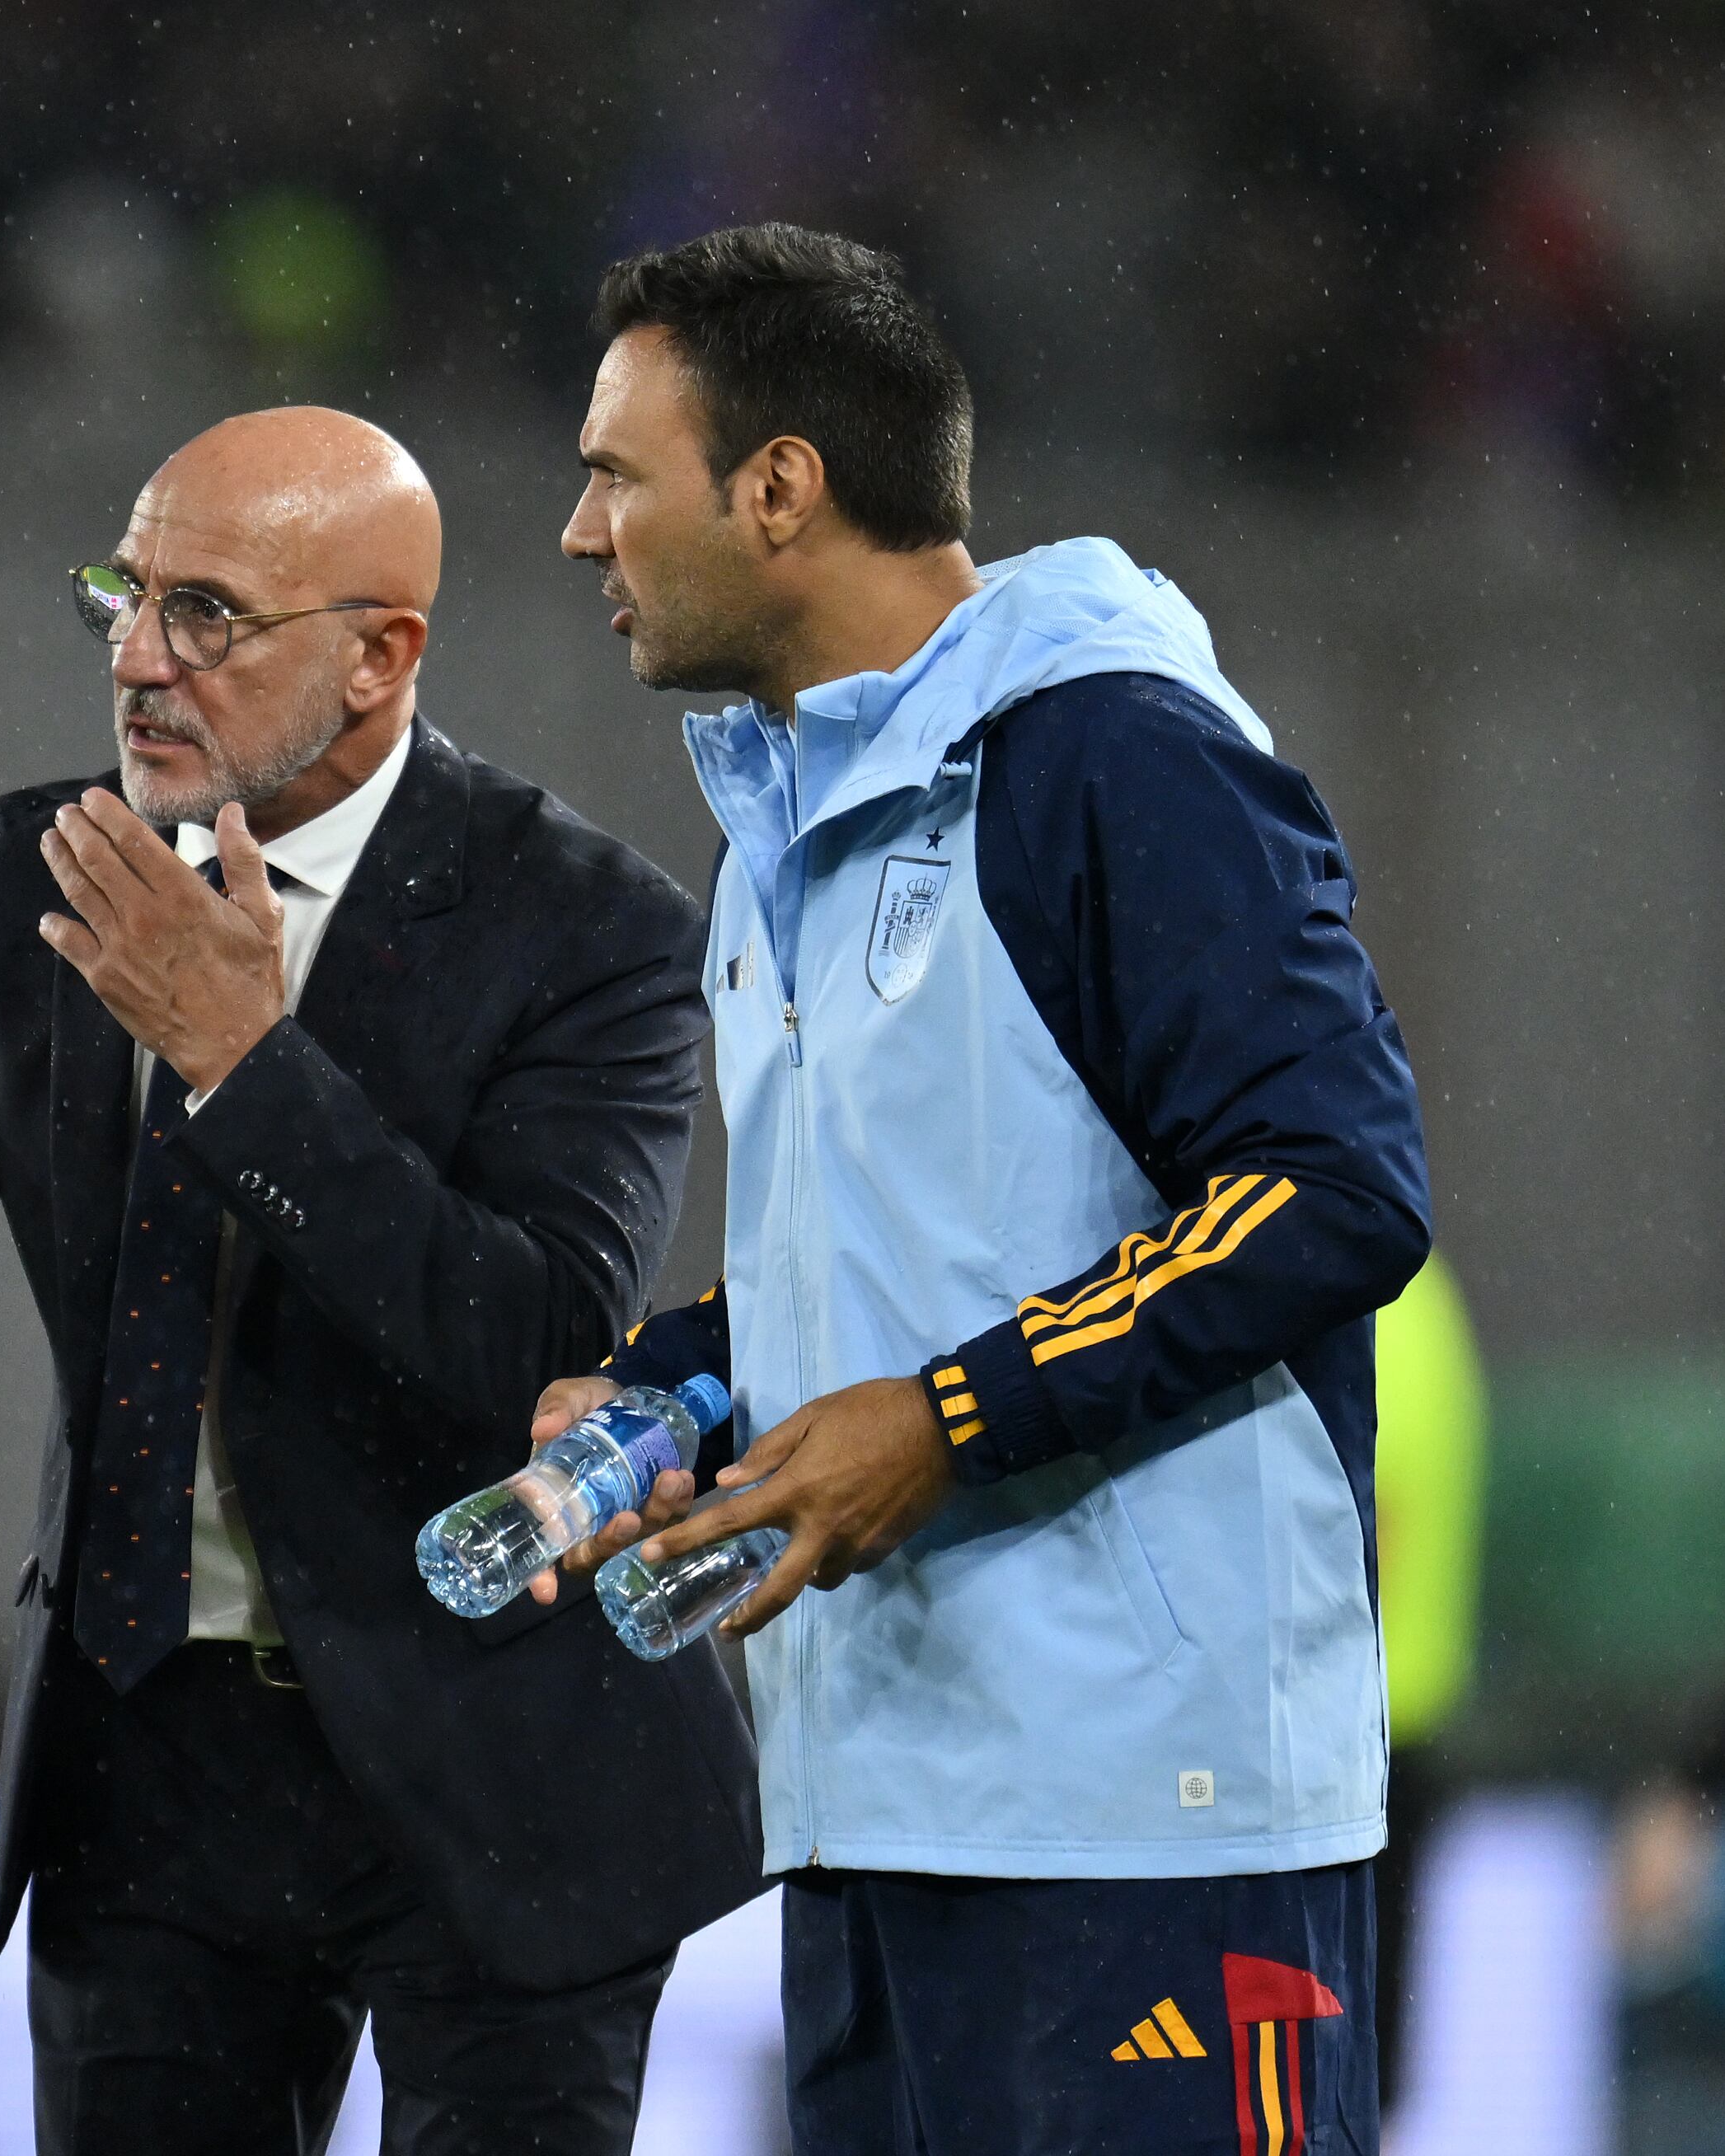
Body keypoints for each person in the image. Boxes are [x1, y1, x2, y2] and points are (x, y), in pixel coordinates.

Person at [0, 406, 764, 2155]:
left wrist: (244, 1062)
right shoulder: (30, 881)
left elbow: (534, 1336)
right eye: (125, 593)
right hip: (155, 1774)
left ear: (377, 659)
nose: (136, 657)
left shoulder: (593, 926)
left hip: (500, 1752)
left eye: (207, 615)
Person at [537, 225, 1429, 2155]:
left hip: (1147, 1824)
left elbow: (1330, 1180)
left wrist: (945, 1418)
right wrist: (686, 1380)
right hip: (873, 1809)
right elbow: (931, 1248)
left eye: (614, 471)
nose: (575, 531)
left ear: (778, 486)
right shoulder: (780, 823)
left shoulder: (1109, 750)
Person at [1371, 1249, 1486, 2118]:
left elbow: (1377, 1523)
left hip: (1353, 1749)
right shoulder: (1418, 1287)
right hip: (1397, 1732)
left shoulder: (1367, 1297)